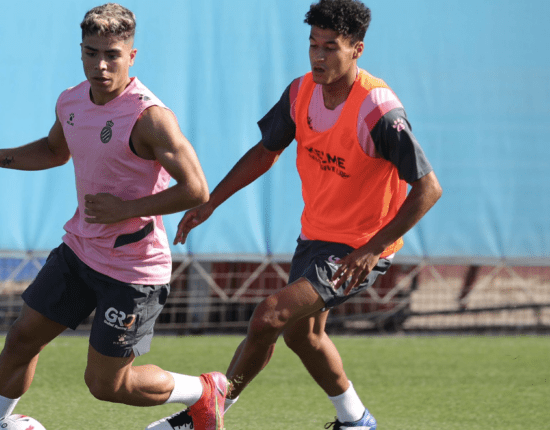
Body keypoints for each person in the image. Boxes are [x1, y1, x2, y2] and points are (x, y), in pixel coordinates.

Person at [147, 0, 442, 429]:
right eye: (313, 45)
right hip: (317, 236)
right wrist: (209, 204)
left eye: (331, 47)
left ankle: (207, 413)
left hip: (360, 247)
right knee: (303, 336)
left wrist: (372, 249)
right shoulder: (301, 91)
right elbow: (265, 153)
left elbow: (428, 188)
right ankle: (356, 419)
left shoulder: (378, 108)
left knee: (270, 314)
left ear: (357, 50)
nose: (319, 56)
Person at [0, 4, 228, 430]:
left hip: (133, 268)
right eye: (91, 53)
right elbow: (54, 150)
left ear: (132, 56)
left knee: (106, 385)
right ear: (80, 51)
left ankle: (204, 391)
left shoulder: (150, 117)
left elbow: (197, 189)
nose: (100, 65)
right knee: (22, 338)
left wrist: (126, 209)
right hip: (80, 249)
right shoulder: (70, 101)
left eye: (112, 55)